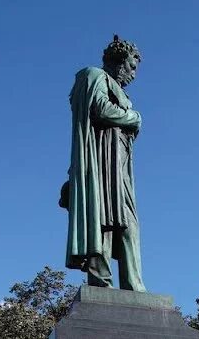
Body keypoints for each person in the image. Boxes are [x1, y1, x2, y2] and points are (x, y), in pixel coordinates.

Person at [60, 35, 145, 290]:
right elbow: (99, 108)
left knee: (127, 224)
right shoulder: (94, 75)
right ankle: (102, 282)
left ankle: (133, 284)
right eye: (131, 66)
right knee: (103, 221)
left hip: (118, 165)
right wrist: (133, 117)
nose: (133, 74)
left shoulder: (116, 87)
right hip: (100, 163)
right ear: (118, 62)